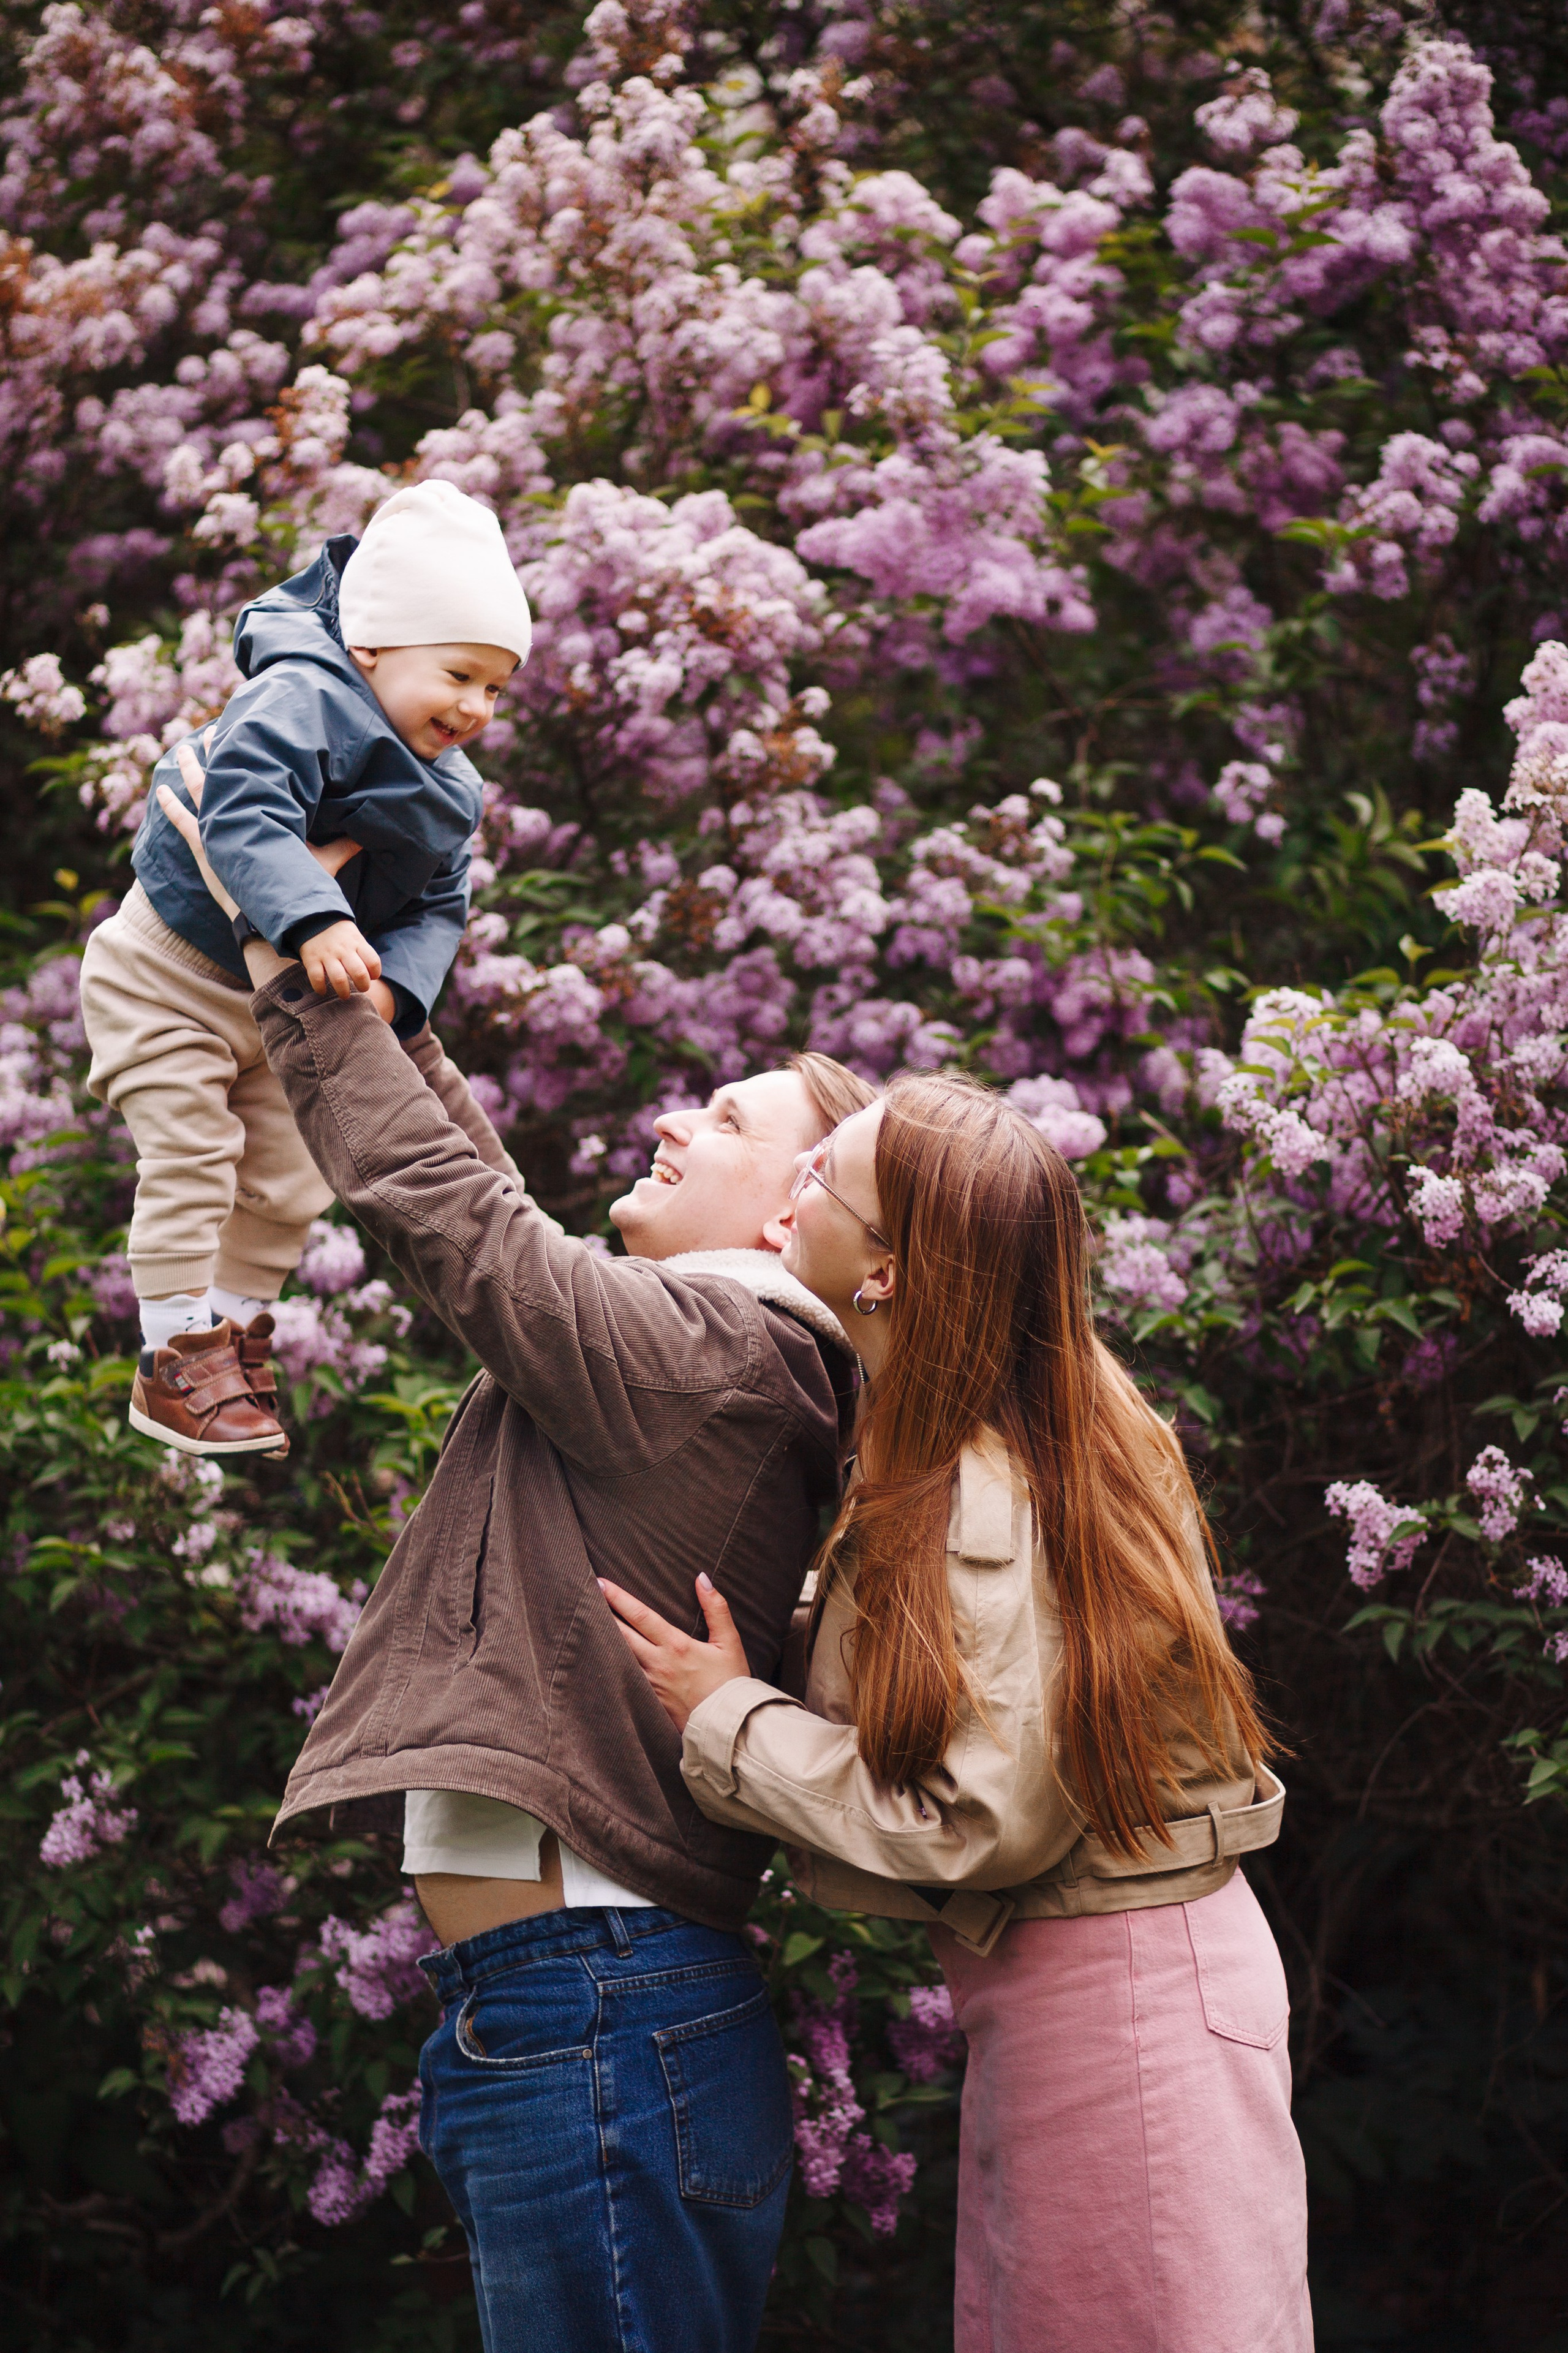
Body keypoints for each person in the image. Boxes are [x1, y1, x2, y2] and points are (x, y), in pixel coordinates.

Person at [156, 757, 875, 2353]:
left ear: (794, 1217)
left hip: (597, 2001)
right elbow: (483, 1195)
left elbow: (458, 1225)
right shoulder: (704, 1348)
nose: (677, 1116)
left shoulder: (726, 1354)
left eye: (731, 1121)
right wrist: (370, 973)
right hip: (579, 2001)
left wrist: (284, 948)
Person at [603, 1071, 1313, 2353]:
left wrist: (729, 1721)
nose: (792, 1185)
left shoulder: (986, 1480)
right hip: (1086, 1992)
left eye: (823, 1177)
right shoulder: (980, 1424)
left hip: (1116, 2007)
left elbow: (982, 1818)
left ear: (886, 1271)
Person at [81, 478, 531, 1458]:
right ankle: (173, 1356)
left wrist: (397, 986)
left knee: (290, 1178)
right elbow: (241, 812)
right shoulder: (299, 695)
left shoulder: (448, 786)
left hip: (279, 1010)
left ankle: (234, 1337)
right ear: (372, 645)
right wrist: (318, 916)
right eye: (459, 673)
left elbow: (440, 902)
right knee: (194, 1153)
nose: (475, 706)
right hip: (169, 980)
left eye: (496, 688)